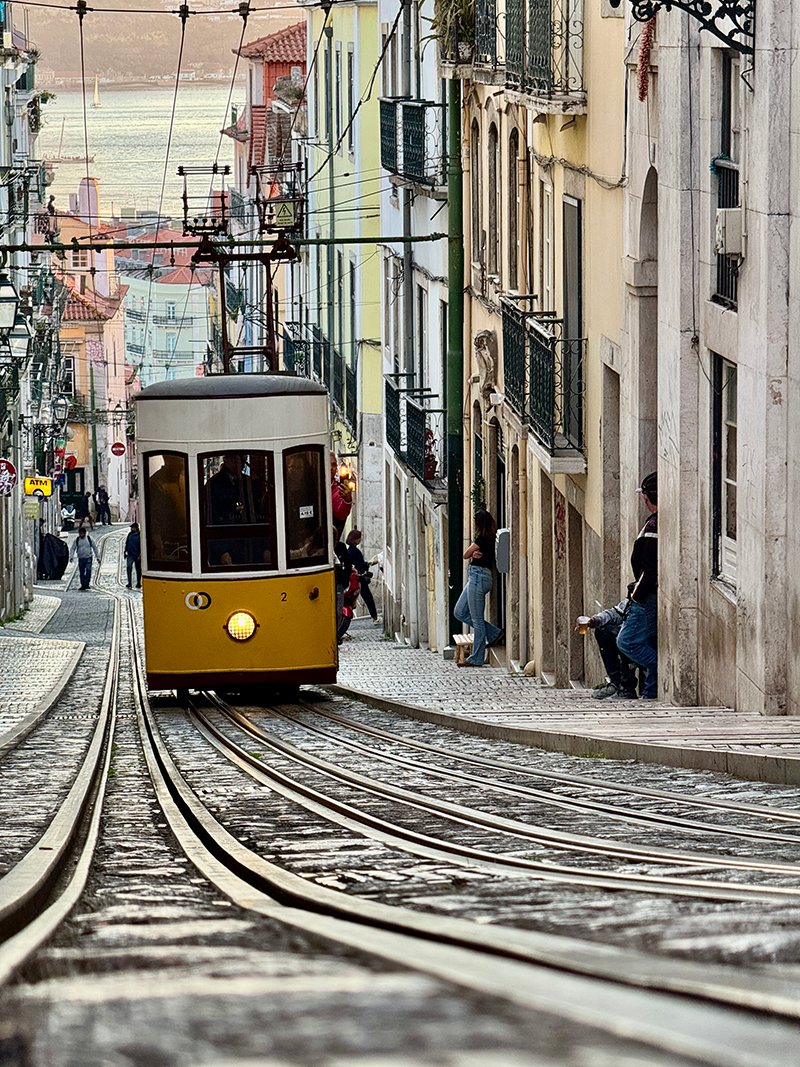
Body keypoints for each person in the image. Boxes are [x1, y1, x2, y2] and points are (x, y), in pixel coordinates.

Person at [617, 471, 658, 699]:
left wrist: (636, 595)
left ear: (646, 498)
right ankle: (651, 690)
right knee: (648, 639)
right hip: (646, 595)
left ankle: (660, 668)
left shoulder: (653, 526)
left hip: (645, 597)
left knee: (626, 642)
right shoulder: (653, 524)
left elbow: (649, 568)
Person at [454, 510, 503, 667]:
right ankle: (494, 633)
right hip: (478, 577)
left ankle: (476, 658)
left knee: (477, 620)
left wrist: (472, 553)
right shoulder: (489, 538)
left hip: (478, 578)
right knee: (459, 611)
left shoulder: (482, 539)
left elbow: (465, 554)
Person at [579, 602, 640, 700]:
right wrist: (593, 621)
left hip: (645, 642)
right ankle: (616, 683)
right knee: (604, 631)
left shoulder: (646, 596)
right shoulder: (632, 597)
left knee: (625, 639)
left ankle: (626, 688)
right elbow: (616, 613)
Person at [346, 529, 379, 623]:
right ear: (355, 539)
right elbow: (360, 565)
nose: (360, 539)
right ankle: (375, 617)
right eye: (359, 538)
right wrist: (371, 563)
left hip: (356, 577)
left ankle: (374, 616)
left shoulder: (351, 550)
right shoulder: (354, 551)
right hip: (359, 577)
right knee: (368, 597)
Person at [330, 453, 353, 527]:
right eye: (327, 464)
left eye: (333, 465)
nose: (331, 468)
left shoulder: (338, 491)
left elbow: (341, 514)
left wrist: (347, 501)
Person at [124, 522, 142, 588]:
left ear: (136, 528)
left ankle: (138, 582)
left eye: (132, 528)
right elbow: (127, 543)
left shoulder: (140, 536)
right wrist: (125, 551)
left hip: (137, 555)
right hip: (130, 555)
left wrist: (140, 555)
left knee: (138, 569)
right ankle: (129, 582)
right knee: (129, 567)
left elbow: (141, 546)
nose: (131, 529)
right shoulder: (129, 535)